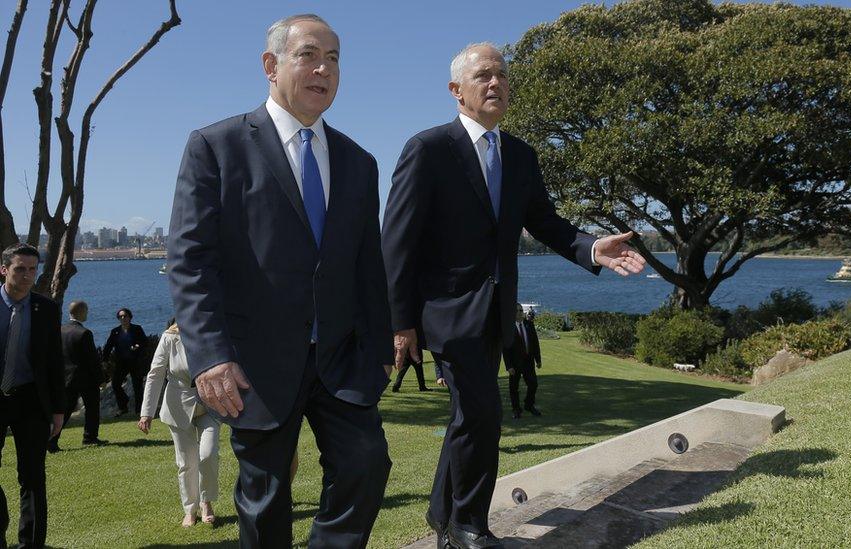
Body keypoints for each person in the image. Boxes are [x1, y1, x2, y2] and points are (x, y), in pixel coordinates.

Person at [382, 43, 646, 548]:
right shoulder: (428, 149)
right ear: (457, 90)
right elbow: (398, 240)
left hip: (498, 312)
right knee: (483, 413)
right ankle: (467, 527)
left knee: (469, 413)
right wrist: (401, 322)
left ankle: (442, 513)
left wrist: (592, 248)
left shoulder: (520, 155)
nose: (496, 83)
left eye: (502, 75)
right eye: (483, 76)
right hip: (447, 311)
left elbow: (544, 222)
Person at [167, 13, 393, 548]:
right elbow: (190, 261)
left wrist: (380, 345)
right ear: (271, 65)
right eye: (309, 55)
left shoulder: (360, 163)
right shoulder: (215, 147)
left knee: (367, 463)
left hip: (340, 358)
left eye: (334, 59)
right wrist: (211, 356)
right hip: (254, 364)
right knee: (266, 498)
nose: (324, 69)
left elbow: (368, 264)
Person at [0, 243, 66, 548]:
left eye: (32, 269)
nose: (28, 276)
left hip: (31, 401)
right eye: (20, 269)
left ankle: (31, 545)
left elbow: (54, 363)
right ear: (4, 270)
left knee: (33, 478)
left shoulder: (47, 309)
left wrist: (57, 410)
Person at [138, 320, 221, 528]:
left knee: (208, 454)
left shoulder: (211, 330)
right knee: (186, 462)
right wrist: (147, 413)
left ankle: (206, 502)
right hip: (178, 404)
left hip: (209, 403)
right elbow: (156, 373)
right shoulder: (169, 337)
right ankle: (190, 509)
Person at [49, 300, 106, 452]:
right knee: (92, 407)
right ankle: (89, 437)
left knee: (65, 410)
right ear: (81, 312)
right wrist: (100, 379)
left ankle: (52, 439)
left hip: (66, 377)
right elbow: (92, 359)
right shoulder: (84, 333)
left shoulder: (60, 330)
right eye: (86, 311)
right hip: (85, 378)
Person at [103, 307, 148, 416]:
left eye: (125, 316)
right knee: (115, 384)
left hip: (135, 362)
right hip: (121, 363)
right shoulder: (116, 332)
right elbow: (108, 346)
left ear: (130, 317)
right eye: (120, 316)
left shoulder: (137, 329)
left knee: (137, 386)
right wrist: (104, 360)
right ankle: (123, 406)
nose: (123, 318)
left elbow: (144, 342)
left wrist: (137, 346)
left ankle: (139, 410)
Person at [503, 305, 542, 420]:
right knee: (514, 388)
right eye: (517, 311)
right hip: (514, 364)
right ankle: (516, 409)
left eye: (521, 310)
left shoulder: (529, 324)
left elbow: (535, 343)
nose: (520, 313)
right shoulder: (508, 327)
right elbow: (505, 348)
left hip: (528, 362)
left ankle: (529, 405)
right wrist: (508, 366)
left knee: (533, 384)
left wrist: (538, 360)